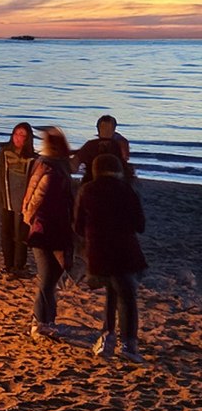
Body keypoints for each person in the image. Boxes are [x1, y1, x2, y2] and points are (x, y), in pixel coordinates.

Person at [75, 154, 147, 362]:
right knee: (127, 296)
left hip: (98, 252)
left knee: (113, 291)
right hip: (124, 251)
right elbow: (140, 225)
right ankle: (128, 344)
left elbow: (78, 225)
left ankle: (108, 337)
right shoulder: (126, 190)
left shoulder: (87, 190)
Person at [22, 127, 74, 340]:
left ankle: (48, 320)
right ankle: (39, 322)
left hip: (57, 227)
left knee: (52, 276)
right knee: (47, 277)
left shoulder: (59, 167)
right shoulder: (48, 166)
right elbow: (35, 196)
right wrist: (30, 219)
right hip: (44, 228)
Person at [0, 122, 36, 277]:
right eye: (16, 134)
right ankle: (8, 264)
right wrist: (0, 196)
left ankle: (19, 265)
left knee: (21, 234)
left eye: (22, 135)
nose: (18, 137)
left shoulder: (33, 158)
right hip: (7, 197)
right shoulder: (4, 151)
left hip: (23, 201)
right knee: (7, 232)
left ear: (28, 138)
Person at [72, 115, 132, 184]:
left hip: (93, 183)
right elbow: (125, 161)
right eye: (104, 129)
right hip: (113, 183)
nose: (106, 132)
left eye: (108, 129)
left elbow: (73, 167)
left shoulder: (91, 145)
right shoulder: (120, 144)